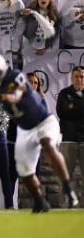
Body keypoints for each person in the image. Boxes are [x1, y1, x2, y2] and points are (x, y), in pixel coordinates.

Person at [0, 53, 80, 212]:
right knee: (25, 172)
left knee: (47, 144)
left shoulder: (15, 76)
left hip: (44, 122)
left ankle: (68, 189)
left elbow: (15, 96)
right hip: (25, 130)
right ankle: (40, 201)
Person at [57, 66, 84, 204]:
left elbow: (70, 112)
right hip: (68, 140)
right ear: (72, 78)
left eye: (82, 76)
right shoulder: (64, 93)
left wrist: (73, 107)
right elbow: (62, 113)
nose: (79, 79)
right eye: (77, 76)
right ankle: (63, 206)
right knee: (65, 176)